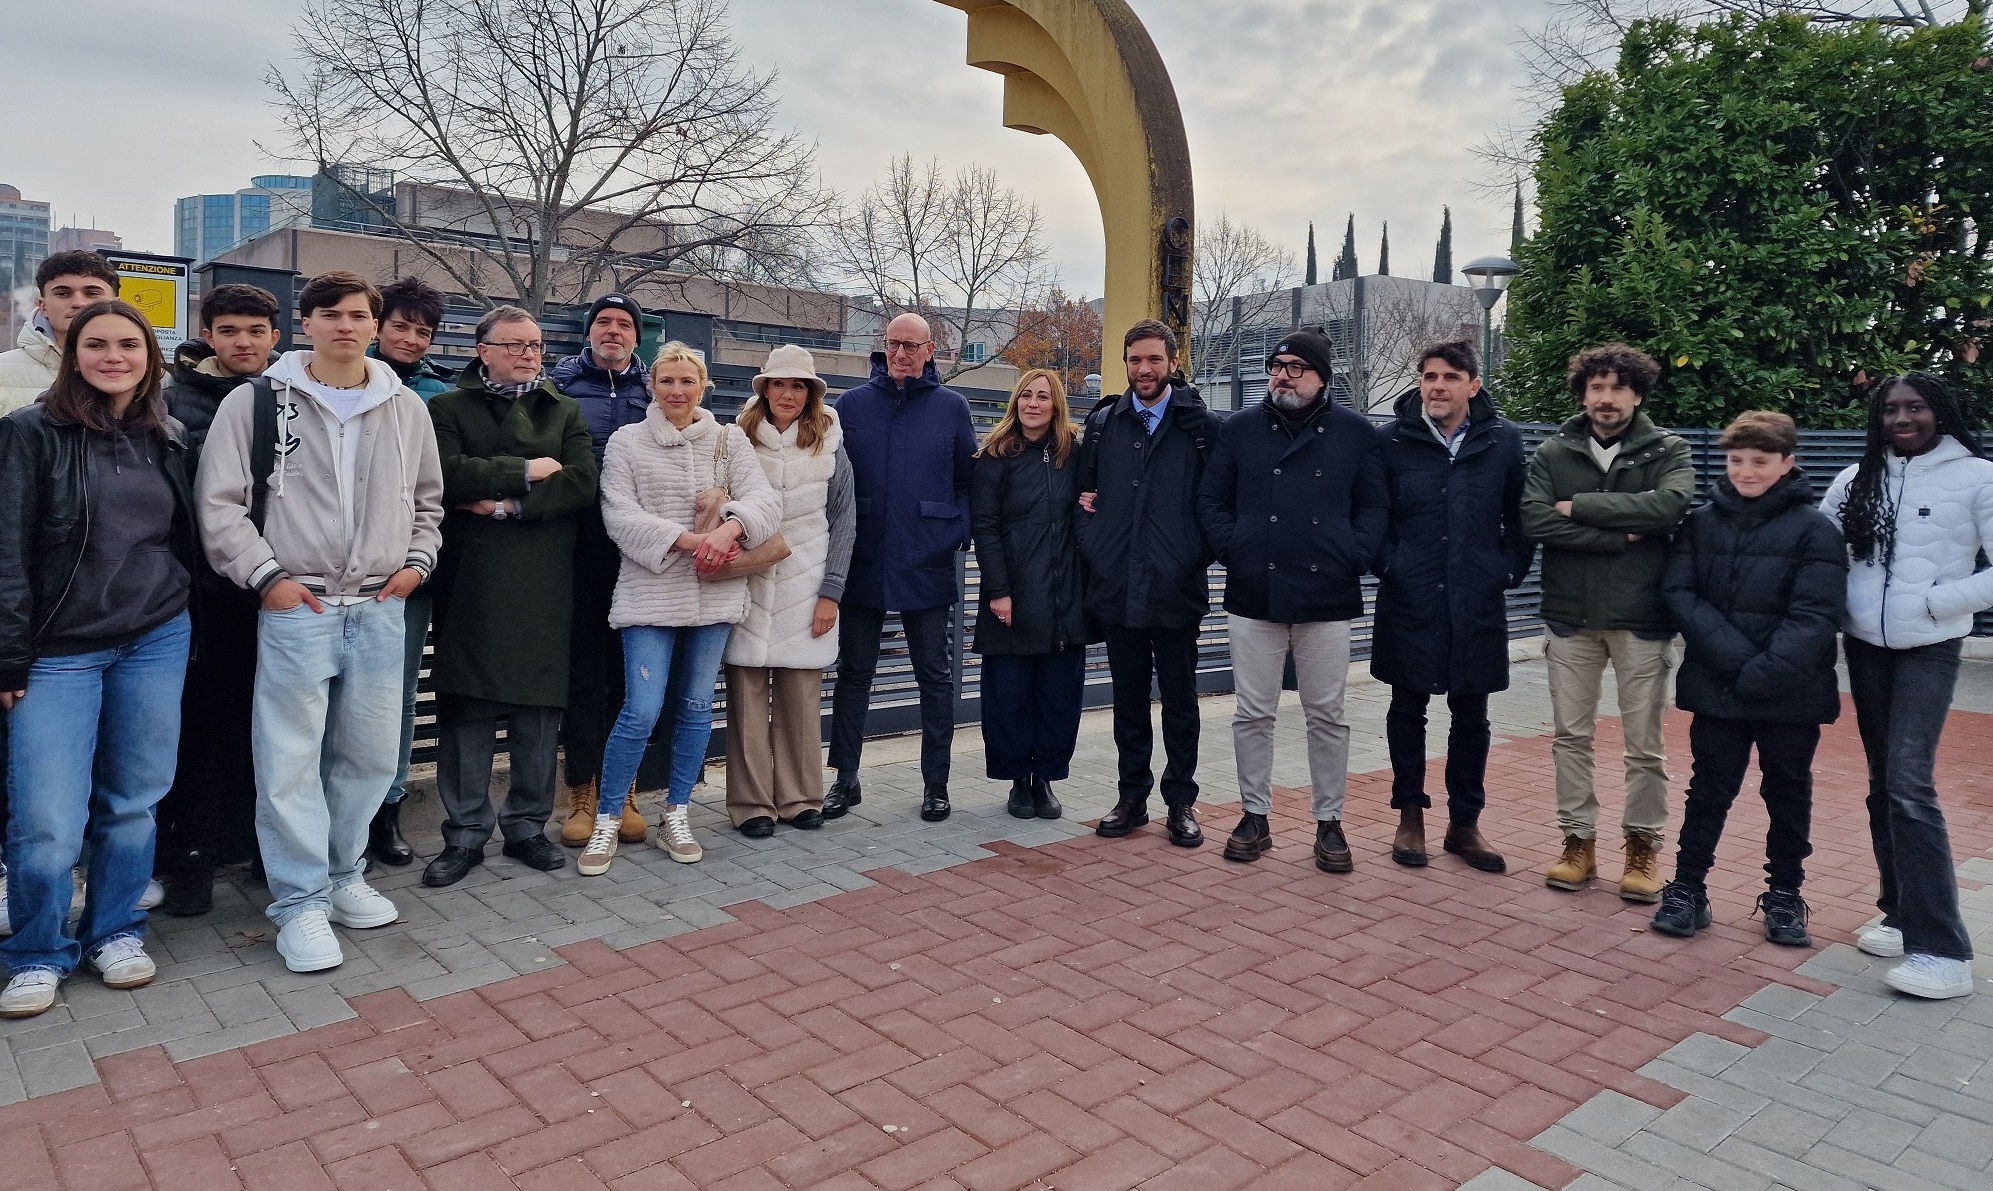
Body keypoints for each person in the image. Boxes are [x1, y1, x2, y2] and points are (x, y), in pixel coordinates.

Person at [197, 270, 443, 974]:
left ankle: (342, 874)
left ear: (374, 325)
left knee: (368, 755)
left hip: (378, 604)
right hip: (297, 604)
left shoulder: (405, 407)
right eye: (330, 313)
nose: (345, 325)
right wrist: (266, 578)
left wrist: (416, 564)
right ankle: (299, 901)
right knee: (290, 760)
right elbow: (219, 504)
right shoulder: (256, 400)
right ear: (305, 324)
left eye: (358, 315)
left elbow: (428, 500)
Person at [0, 300, 198, 1017]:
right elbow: (6, 550)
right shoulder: (29, 432)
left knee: (134, 801)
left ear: (150, 355)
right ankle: (36, 951)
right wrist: (8, 655)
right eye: (97, 344)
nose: (113, 357)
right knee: (47, 817)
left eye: (128, 344)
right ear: (72, 353)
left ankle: (114, 930)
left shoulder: (167, 434)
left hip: (155, 638)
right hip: (58, 652)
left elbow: (180, 538)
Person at [1822, 373, 1993, 1000]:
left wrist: (1935, 603)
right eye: (1891, 408)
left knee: (1909, 786)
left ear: (1938, 411)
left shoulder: (1978, 478)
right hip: (1866, 649)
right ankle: (1899, 914)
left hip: (1930, 648)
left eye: (1915, 407)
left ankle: (1943, 951)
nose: (1902, 418)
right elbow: (1820, 550)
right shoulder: (1855, 478)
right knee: (1882, 784)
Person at [582, 343, 780, 875]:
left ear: (703, 386)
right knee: (641, 709)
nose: (677, 390)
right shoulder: (627, 441)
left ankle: (677, 813)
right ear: (652, 385)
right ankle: (607, 818)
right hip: (650, 595)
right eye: (667, 380)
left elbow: (765, 501)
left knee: (695, 707)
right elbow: (618, 514)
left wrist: (731, 529)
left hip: (714, 597)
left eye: (687, 381)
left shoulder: (729, 439)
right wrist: (693, 541)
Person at [1650, 411, 1844, 948]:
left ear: (1787, 463)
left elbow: (1815, 615)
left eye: (1760, 461)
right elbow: (1680, 593)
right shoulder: (1700, 523)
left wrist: (1762, 672)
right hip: (1720, 687)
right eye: (1737, 460)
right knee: (1708, 789)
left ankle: (1784, 894)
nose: (1746, 471)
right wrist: (1739, 663)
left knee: (1788, 791)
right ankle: (1688, 889)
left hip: (1791, 691)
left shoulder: (1816, 531)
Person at [419, 307, 598, 888]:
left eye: (536, 345)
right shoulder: (447, 407)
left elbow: (581, 482)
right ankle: (465, 834)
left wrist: (504, 503)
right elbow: (446, 474)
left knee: (538, 712)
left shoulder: (563, 409)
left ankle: (526, 827)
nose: (528, 354)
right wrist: (527, 468)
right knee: (466, 709)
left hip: (545, 582)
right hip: (469, 580)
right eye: (515, 344)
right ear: (483, 350)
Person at [1198, 330, 1387, 870]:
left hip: (1327, 593)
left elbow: (1375, 506)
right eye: (1276, 365)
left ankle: (1330, 823)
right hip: (1254, 590)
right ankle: (1254, 816)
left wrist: (1353, 554)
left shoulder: (1356, 432)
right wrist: (1235, 548)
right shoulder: (1239, 429)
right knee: (1252, 712)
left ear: (1321, 376)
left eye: (1295, 367)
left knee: (1327, 714)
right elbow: (1211, 500)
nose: (1282, 375)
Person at [1521, 343, 1692, 902]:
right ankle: (1578, 841)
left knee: (1644, 746)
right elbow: (1535, 520)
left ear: (1637, 394)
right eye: (1597, 387)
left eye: (1618, 387)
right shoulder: (1553, 452)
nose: (1606, 398)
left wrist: (1578, 506)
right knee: (1571, 737)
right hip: (1570, 617)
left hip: (1642, 619)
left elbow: (1669, 507)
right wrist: (1622, 535)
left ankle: (1643, 846)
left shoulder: (1668, 449)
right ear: (1583, 394)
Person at [1371, 340, 1533, 874]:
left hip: (1475, 598)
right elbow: (1372, 512)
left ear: (1473, 385)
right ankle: (1410, 817)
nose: (1437, 386)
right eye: (1429, 376)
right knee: (1406, 710)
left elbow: (1520, 515)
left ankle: (1465, 824)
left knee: (1472, 714)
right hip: (1409, 597)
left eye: (1450, 377)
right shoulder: (1391, 439)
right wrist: (1391, 565)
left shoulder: (1503, 439)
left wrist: (1505, 570)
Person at [154, 284, 283, 916]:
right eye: (229, 330)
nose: (243, 342)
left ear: (275, 337)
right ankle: (192, 860)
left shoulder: (290, 395)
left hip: (282, 586)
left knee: (273, 726)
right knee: (202, 729)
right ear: (208, 334)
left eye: (255, 331)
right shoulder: (172, 401)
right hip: (205, 593)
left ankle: (265, 850)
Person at [1075, 319, 1222, 848]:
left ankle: (1181, 801)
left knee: (1180, 701)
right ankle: (1131, 796)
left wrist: (1190, 557)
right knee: (1129, 700)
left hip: (1176, 588)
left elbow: (1218, 505)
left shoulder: (1201, 426)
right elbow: (1083, 499)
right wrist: (1099, 549)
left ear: (1173, 363)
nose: (1144, 369)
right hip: (1118, 587)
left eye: (1154, 359)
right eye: (1135, 359)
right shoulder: (1103, 424)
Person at [825, 313, 976, 823]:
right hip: (863, 557)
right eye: (894, 344)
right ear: (883, 346)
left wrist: (955, 532)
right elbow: (832, 479)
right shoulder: (851, 405)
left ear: (931, 350)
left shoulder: (952, 407)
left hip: (926, 558)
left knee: (934, 676)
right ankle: (845, 779)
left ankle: (936, 784)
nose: (901, 354)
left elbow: (966, 481)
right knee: (853, 673)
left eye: (912, 346)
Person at [720, 346, 854, 836]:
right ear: (765, 389)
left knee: (800, 698)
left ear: (811, 393)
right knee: (747, 698)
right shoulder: (735, 439)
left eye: (798, 386)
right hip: (748, 582)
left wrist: (831, 592)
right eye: (779, 383)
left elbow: (845, 520)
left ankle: (800, 798)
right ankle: (751, 804)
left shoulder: (830, 442)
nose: (788, 394)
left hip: (807, 581)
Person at [551, 293, 652, 848]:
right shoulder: (558, 386)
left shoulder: (655, 390)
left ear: (637, 336)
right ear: (588, 332)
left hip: (638, 552)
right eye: (604, 322)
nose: (613, 331)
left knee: (629, 673)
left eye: (624, 324)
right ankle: (582, 792)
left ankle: (624, 790)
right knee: (584, 673)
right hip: (578, 546)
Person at [971, 368, 1093, 820]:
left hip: (1065, 596)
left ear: (1056, 404)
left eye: (1043, 396)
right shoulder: (994, 456)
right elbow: (985, 528)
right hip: (1014, 594)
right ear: (1015, 402)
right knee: (1009, 695)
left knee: (1058, 695)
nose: (1033, 404)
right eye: (1026, 395)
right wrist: (998, 591)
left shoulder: (1074, 454)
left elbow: (1093, 505)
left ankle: (1045, 779)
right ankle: (1018, 781)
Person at [372, 276, 457, 867]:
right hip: (336, 571)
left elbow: (439, 485)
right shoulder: (334, 380)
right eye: (399, 326)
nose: (410, 338)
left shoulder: (437, 395)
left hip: (410, 569)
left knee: (400, 693)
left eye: (422, 331)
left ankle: (388, 808)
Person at [0, 250, 118, 415]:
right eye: (63, 294)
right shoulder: (3, 372)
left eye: (92, 293)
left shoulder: (143, 373)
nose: (78, 303)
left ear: (116, 305)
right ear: (43, 306)